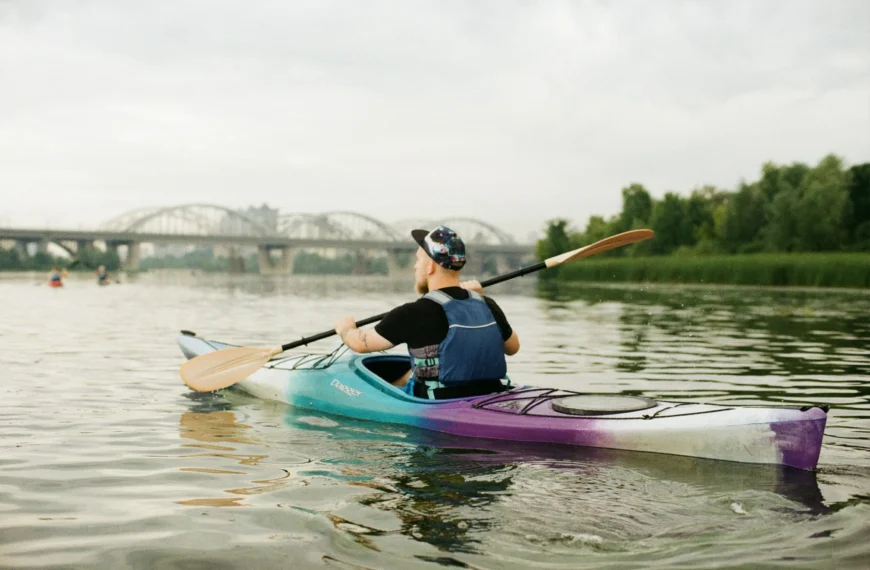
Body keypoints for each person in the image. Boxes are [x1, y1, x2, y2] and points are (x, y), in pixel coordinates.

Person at [334, 226, 520, 400]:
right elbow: (513, 347)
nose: (415, 267)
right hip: (490, 396)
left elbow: (360, 344)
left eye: (418, 260)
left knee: (417, 372)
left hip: (440, 405)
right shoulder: (486, 304)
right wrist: (480, 299)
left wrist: (346, 329)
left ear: (430, 266)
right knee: (415, 369)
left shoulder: (412, 313)